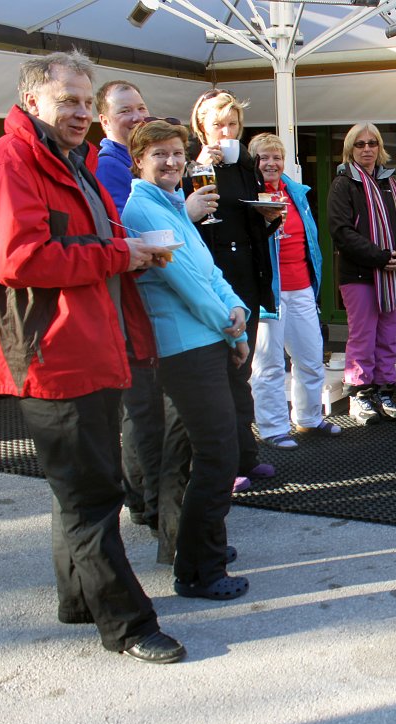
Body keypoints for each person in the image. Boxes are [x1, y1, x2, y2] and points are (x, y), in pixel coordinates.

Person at [0, 50, 184, 663]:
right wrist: (118, 254)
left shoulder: (68, 159)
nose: (82, 112)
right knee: (92, 497)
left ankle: (77, 599)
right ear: (32, 100)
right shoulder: (8, 162)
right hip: (52, 355)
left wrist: (124, 247)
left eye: (87, 101)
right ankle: (129, 625)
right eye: (69, 100)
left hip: (85, 347)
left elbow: (79, 241)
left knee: (78, 490)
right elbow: (20, 259)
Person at [123, 119, 251, 602]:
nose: (172, 162)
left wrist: (235, 307)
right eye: (160, 154)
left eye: (177, 153)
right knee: (219, 455)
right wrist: (230, 325)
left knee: (199, 453)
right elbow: (186, 285)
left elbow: (211, 272)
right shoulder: (141, 211)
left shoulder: (173, 205)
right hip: (184, 348)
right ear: (139, 161)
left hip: (205, 339)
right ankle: (200, 571)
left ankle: (194, 549)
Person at [188, 89, 284, 492]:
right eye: (217, 124)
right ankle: (220, 466)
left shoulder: (247, 164)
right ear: (201, 126)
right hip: (214, 275)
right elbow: (183, 224)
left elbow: (254, 220)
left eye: (232, 125)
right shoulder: (188, 165)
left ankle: (247, 455)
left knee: (241, 372)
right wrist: (196, 168)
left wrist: (269, 217)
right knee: (222, 374)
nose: (225, 132)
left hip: (247, 273)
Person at [93, 79, 162, 532]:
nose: (137, 116)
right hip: (131, 300)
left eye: (140, 107)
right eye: (125, 111)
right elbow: (126, 232)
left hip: (147, 296)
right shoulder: (111, 167)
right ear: (104, 120)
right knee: (141, 408)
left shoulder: (135, 159)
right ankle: (145, 501)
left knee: (147, 406)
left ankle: (145, 494)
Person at [327, 122, 396, 424]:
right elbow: (341, 233)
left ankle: (384, 390)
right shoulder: (343, 185)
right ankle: (360, 396)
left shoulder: (392, 184)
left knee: (388, 337)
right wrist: (382, 258)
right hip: (360, 275)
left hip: (392, 273)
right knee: (362, 337)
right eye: (360, 144)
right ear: (350, 149)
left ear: (380, 148)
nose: (367, 149)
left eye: (372, 143)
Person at [247, 132, 334, 442]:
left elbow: (310, 241)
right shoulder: (248, 196)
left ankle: (309, 418)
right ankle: (273, 428)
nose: (272, 163)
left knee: (310, 356)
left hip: (302, 288)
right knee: (269, 365)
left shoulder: (296, 192)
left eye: (277, 157)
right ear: (253, 162)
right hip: (269, 292)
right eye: (264, 157)